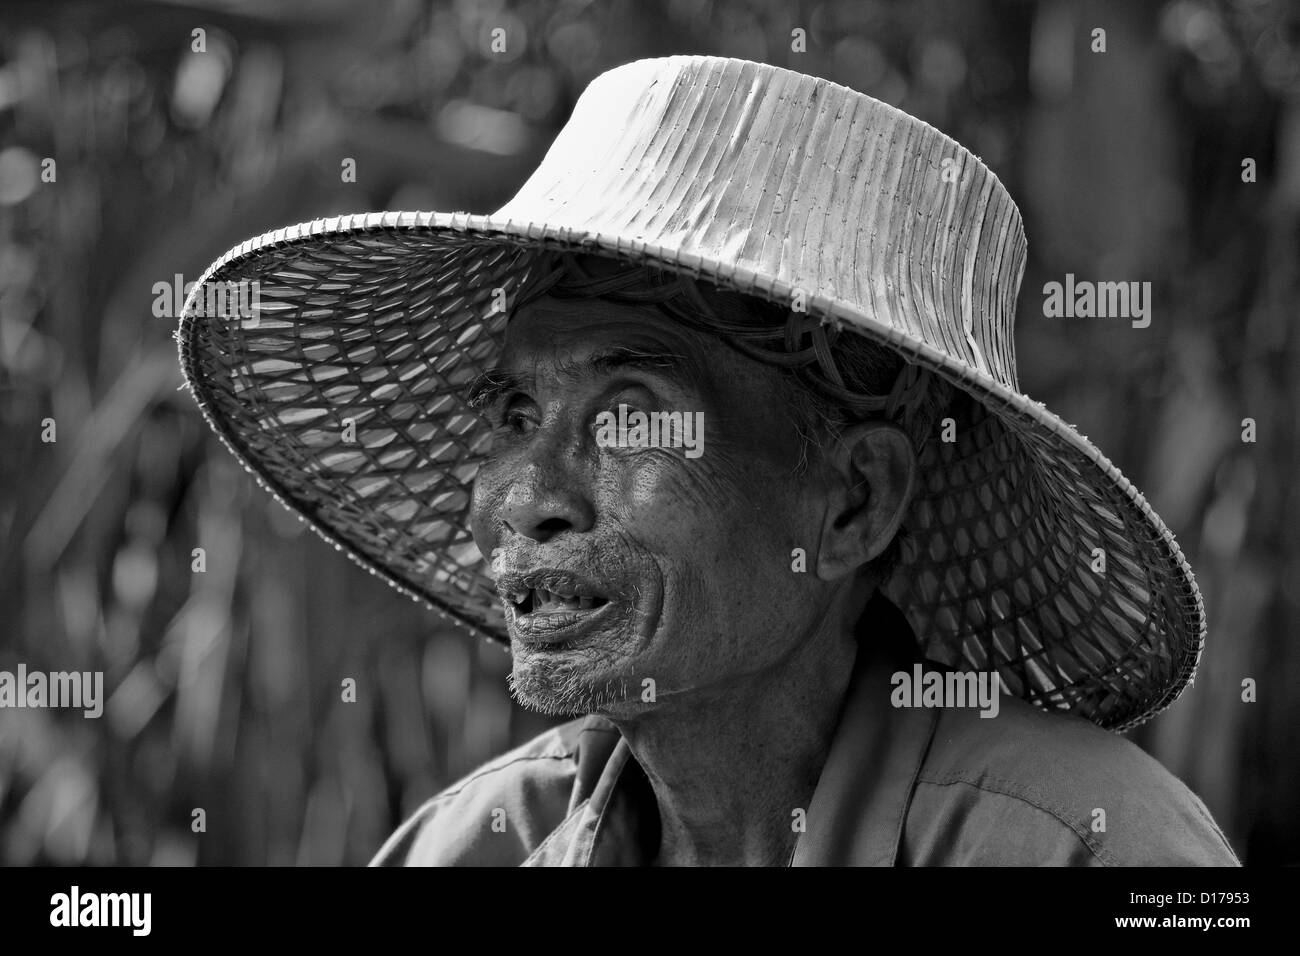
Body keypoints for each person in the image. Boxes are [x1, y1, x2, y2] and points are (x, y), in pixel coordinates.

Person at [178, 56, 1239, 866]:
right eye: (512, 409)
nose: (526, 498)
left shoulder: (1086, 846)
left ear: (851, 503)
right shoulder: (472, 845)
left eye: (630, 416)